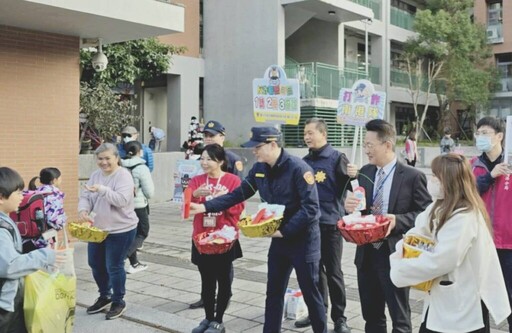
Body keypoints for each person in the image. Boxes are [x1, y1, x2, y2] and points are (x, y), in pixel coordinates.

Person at [189, 127, 328, 333]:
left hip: (303, 240)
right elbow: (238, 194)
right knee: (273, 292)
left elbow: (311, 209)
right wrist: (205, 206)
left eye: (257, 147)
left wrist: (285, 231)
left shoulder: (298, 169)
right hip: (279, 239)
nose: (254, 151)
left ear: (273, 145)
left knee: (310, 292)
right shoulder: (259, 169)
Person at [390, 153, 511, 332]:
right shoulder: (439, 205)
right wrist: (402, 251)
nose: (431, 180)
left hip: (460, 310)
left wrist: (401, 268)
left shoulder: (466, 216)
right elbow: (415, 234)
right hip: (441, 304)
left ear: (448, 181)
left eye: (435, 176)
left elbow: (441, 261)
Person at [344, 119, 431, 333]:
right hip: (366, 255)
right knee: (372, 318)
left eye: (370, 145)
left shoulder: (412, 176)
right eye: (364, 145)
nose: (366, 150)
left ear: (387, 145)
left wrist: (398, 220)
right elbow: (361, 211)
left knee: (400, 319)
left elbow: (427, 214)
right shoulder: (365, 172)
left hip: (394, 254)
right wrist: (349, 207)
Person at [296, 118, 351, 333]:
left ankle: (340, 319)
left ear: (323, 134)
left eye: (310, 132)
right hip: (309, 226)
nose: (307, 137)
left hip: (330, 225)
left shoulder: (337, 158)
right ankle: (317, 313)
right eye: (305, 133)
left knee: (334, 272)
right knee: (314, 273)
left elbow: (350, 187)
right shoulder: (303, 161)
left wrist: (353, 174)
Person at [78, 143, 138, 320]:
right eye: (100, 159)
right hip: (97, 229)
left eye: (107, 158)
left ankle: (118, 300)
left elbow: (121, 200)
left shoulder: (123, 176)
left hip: (121, 229)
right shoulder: (96, 175)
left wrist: (102, 190)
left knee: (114, 265)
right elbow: (86, 196)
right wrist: (83, 210)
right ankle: (105, 295)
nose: (103, 162)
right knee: (95, 263)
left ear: (116, 158)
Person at [189, 144, 244, 333]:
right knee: (206, 280)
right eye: (202, 158)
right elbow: (186, 209)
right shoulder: (196, 181)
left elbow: (239, 209)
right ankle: (207, 318)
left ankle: (218, 319)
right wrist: (195, 195)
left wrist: (225, 199)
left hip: (224, 238)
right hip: (201, 238)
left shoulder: (233, 181)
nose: (204, 162)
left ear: (220, 161)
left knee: (224, 280)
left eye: (209, 159)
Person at [0, 167, 61, 333]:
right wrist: (45, 256)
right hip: (4, 304)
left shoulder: (4, 219)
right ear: (1, 197)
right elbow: (9, 266)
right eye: (18, 192)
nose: (23, 196)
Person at [470, 116, 512, 331]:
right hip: (480, 242)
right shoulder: (472, 166)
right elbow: (465, 195)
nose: (481, 137)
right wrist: (489, 177)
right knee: (479, 301)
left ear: (500, 136)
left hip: (508, 245)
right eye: (478, 133)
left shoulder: (511, 165)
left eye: (485, 133)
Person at [121, 141, 154, 274]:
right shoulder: (141, 168)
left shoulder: (121, 166)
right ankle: (122, 257)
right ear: (140, 152)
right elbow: (149, 192)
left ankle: (134, 263)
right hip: (138, 205)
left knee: (131, 234)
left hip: (123, 204)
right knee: (143, 232)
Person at [24, 167, 67, 252]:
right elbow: (54, 221)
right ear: (55, 180)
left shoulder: (32, 192)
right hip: (45, 239)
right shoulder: (54, 195)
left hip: (26, 237)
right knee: (46, 263)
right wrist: (63, 221)